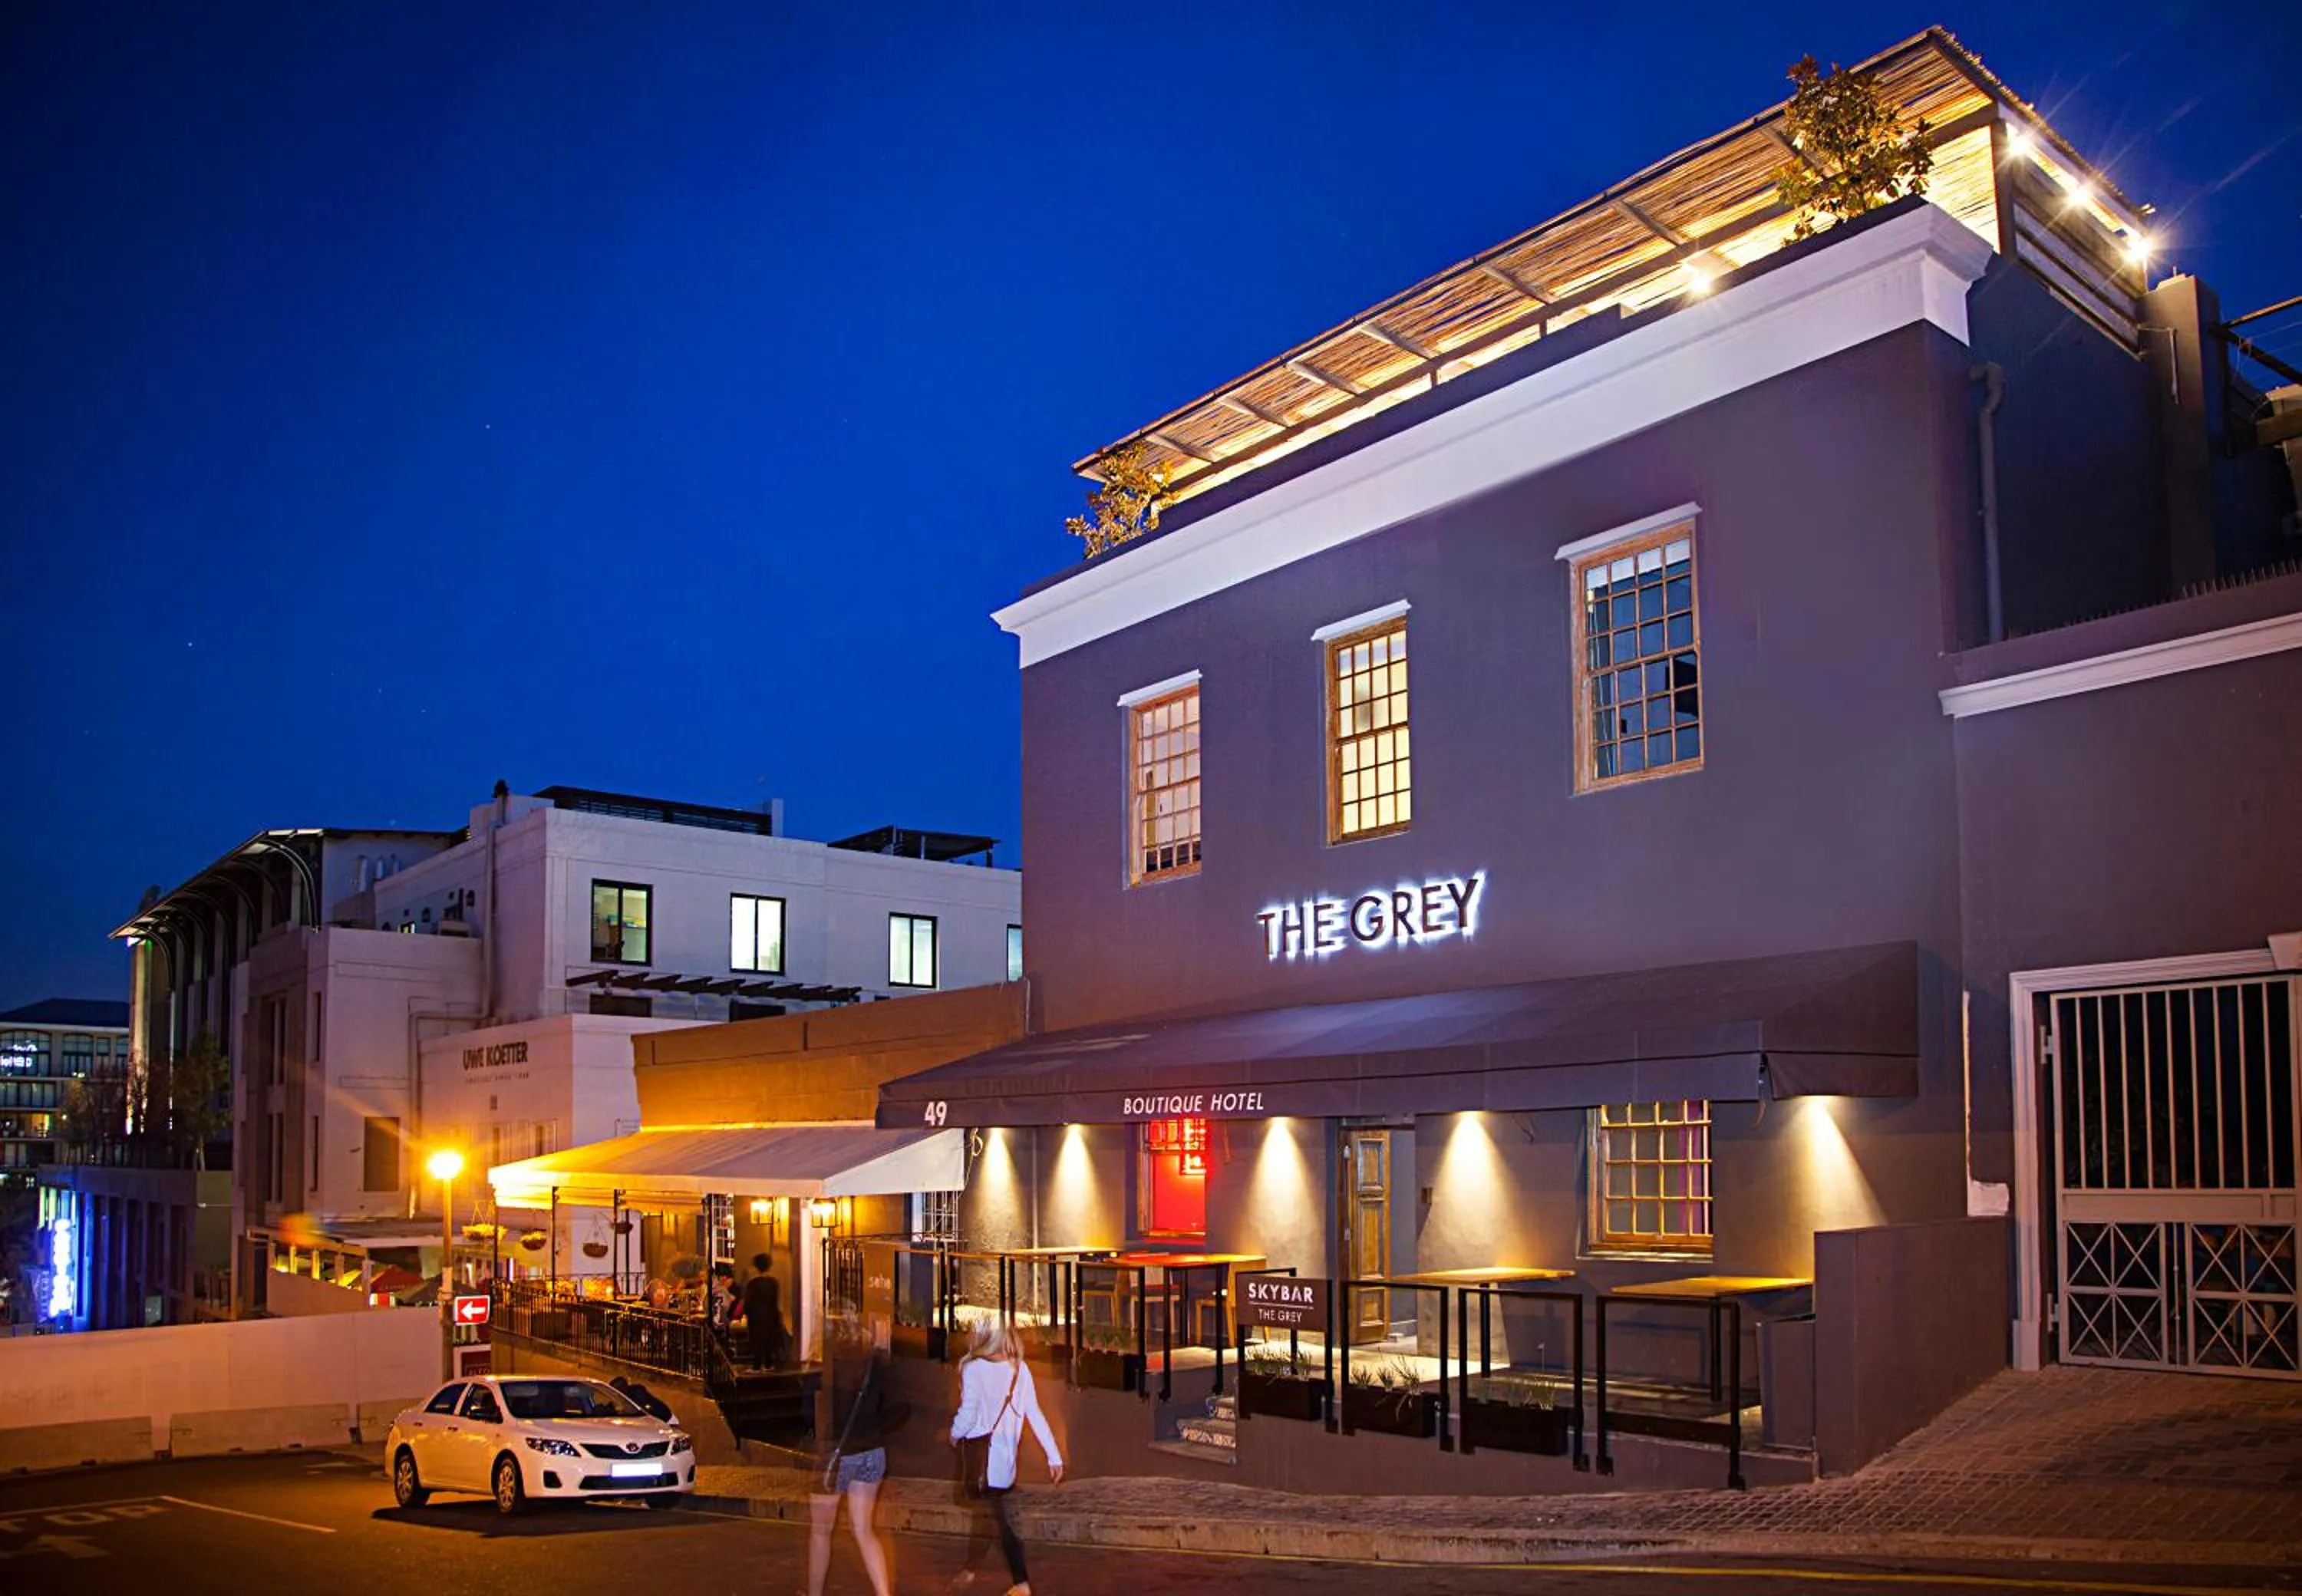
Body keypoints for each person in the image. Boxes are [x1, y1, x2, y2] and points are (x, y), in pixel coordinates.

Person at [948, 1318, 1062, 1596]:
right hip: (1004, 1462)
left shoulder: (973, 1369)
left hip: (982, 1461)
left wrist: (954, 1433)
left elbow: (968, 1412)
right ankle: (970, 1570)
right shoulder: (1019, 1369)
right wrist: (1053, 1455)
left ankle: (1021, 1582)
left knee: (998, 1522)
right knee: (986, 1515)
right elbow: (1034, 1413)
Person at [806, 1314, 906, 1596]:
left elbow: (809, 1409)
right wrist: (873, 1427)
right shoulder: (876, 1364)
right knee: (864, 1530)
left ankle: (815, 1594)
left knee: (820, 1530)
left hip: (837, 1455)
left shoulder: (828, 1366)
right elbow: (900, 1408)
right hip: (872, 1452)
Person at [738, 1252, 790, 1370]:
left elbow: (748, 1302)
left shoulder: (753, 1284)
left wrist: (747, 1313)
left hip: (756, 1316)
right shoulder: (773, 1283)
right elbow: (775, 1301)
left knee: (757, 1340)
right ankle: (768, 1363)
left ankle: (757, 1365)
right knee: (769, 1340)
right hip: (770, 1315)